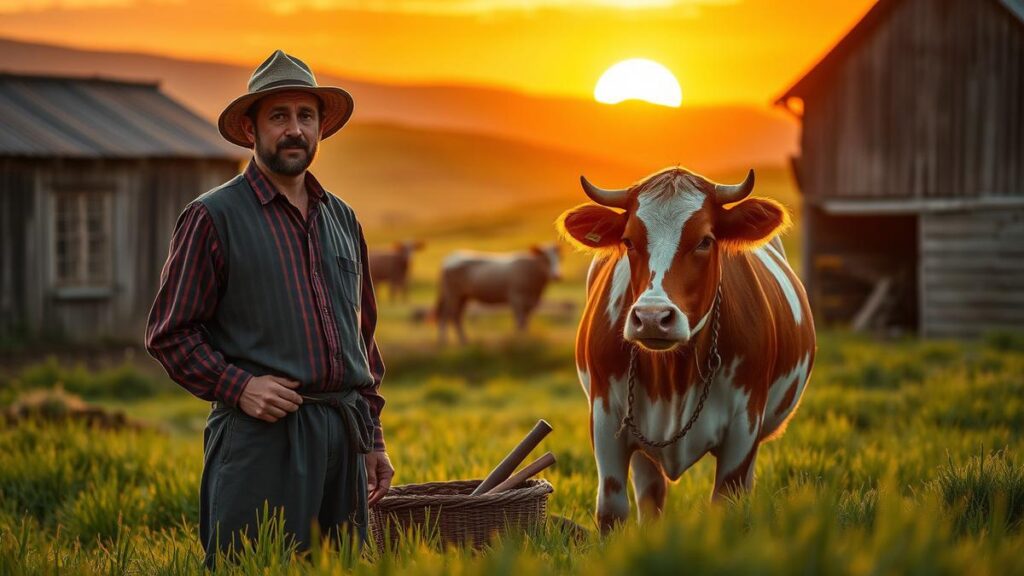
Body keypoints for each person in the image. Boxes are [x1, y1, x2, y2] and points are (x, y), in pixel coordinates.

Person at [145, 50, 394, 565]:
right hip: (261, 438)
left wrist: (373, 439)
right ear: (251, 128)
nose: (294, 130)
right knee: (252, 564)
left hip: (342, 439)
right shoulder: (213, 217)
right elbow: (171, 333)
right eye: (278, 116)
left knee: (341, 567)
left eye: (305, 116)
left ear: (320, 128)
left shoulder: (343, 220)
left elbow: (362, 342)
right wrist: (240, 387)